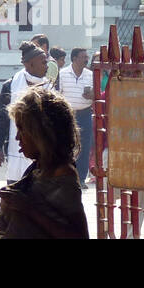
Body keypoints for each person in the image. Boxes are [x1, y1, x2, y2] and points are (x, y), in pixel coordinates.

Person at [0, 85, 88, 238]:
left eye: (21, 130)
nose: (17, 138)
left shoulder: (63, 175)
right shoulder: (37, 168)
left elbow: (78, 235)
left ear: (40, 134)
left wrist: (28, 208)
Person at [0, 41, 50, 181]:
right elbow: (2, 118)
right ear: (30, 64)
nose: (47, 66)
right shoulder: (10, 86)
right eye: (43, 63)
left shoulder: (49, 87)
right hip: (16, 149)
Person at [57, 46, 95, 186]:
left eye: (86, 57)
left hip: (85, 113)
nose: (86, 59)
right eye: (83, 57)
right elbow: (58, 95)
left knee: (84, 147)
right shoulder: (62, 74)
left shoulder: (90, 75)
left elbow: (96, 94)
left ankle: (81, 178)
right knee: (67, 145)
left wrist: (92, 95)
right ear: (74, 59)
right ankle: (66, 176)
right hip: (68, 114)